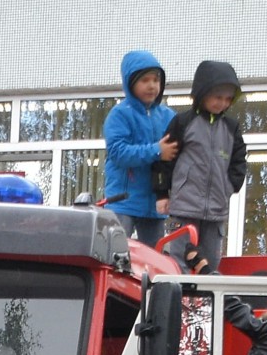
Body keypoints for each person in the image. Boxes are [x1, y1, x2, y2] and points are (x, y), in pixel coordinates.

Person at [151, 59, 248, 274]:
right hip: (184, 207)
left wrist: (229, 187)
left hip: (216, 210)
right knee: (179, 262)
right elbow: (164, 160)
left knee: (210, 263)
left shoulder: (231, 128)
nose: (222, 103)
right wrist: (161, 194)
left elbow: (239, 161)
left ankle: (206, 306)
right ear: (202, 93)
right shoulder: (183, 123)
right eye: (217, 97)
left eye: (227, 99)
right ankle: (180, 304)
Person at [102, 50, 176, 247]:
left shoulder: (169, 116)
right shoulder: (119, 115)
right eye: (145, 80)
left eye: (156, 80)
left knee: (155, 265)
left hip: (155, 205)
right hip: (123, 202)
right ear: (130, 83)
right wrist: (157, 151)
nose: (152, 86)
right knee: (116, 257)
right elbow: (118, 153)